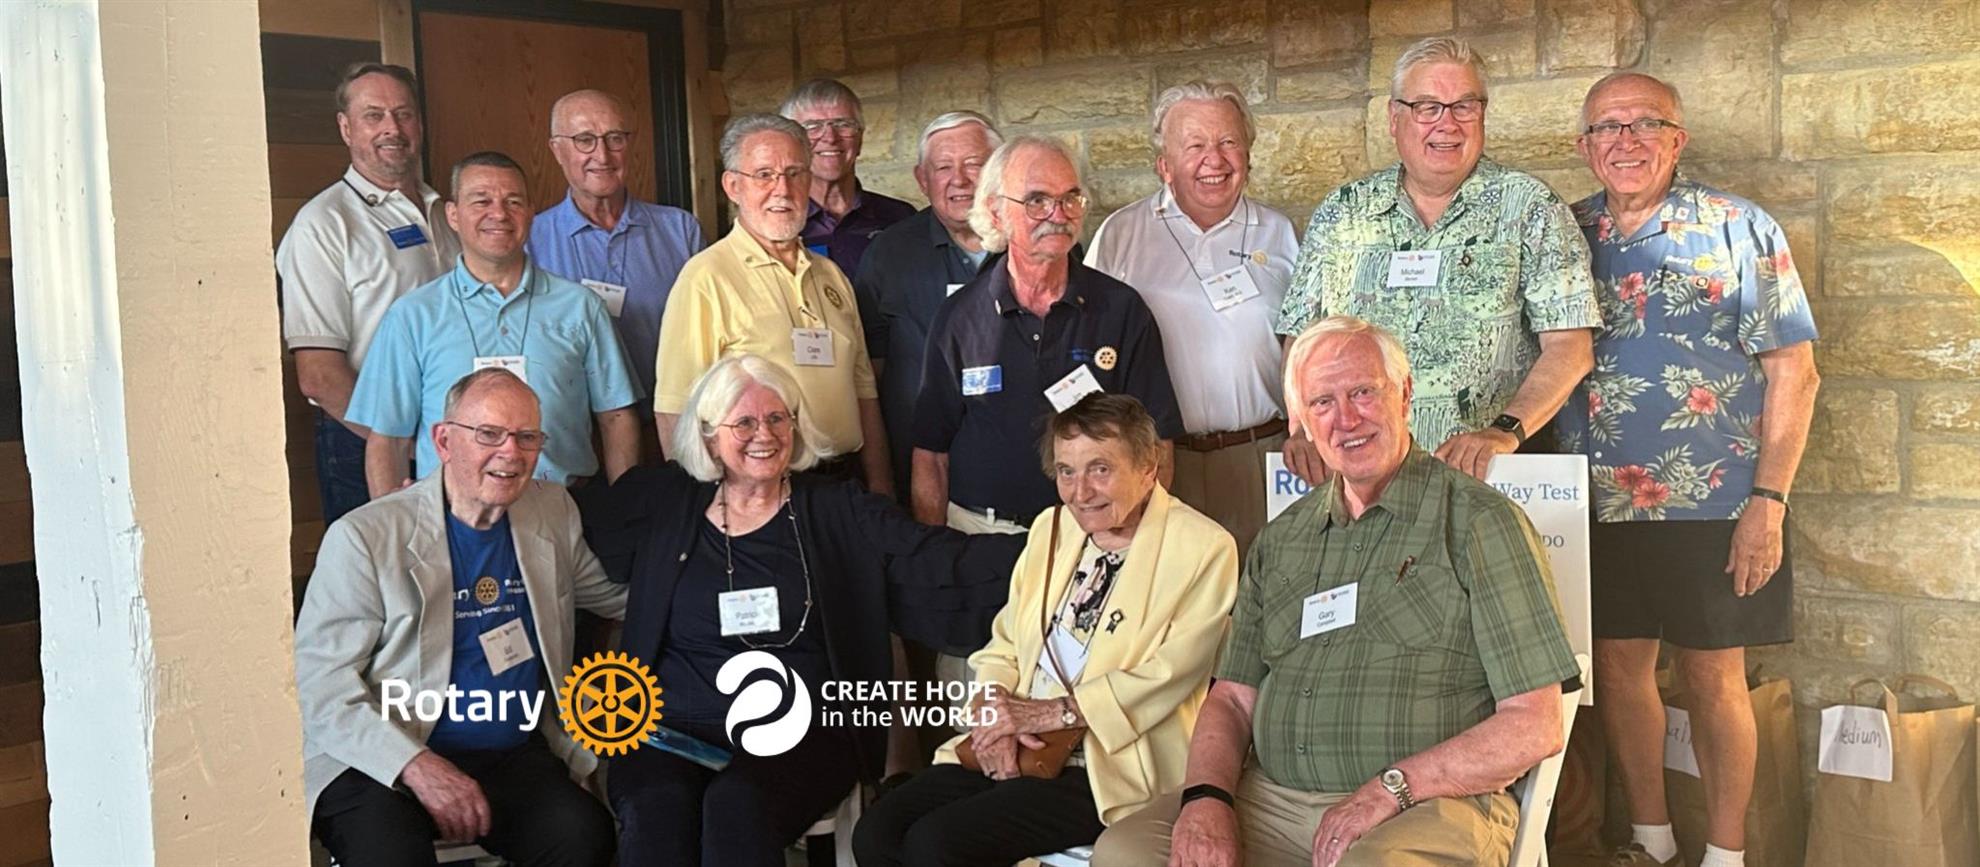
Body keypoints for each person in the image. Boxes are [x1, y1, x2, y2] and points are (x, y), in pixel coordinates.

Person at [1093, 316, 1580, 867]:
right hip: (1273, 801)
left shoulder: (1479, 522)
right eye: (1322, 402)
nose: (1346, 419)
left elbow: (1534, 723)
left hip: (1427, 802)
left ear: (1404, 394)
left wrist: (1391, 788)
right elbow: (1231, 698)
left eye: (1363, 392)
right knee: (1125, 853)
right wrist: (1207, 798)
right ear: (1301, 422)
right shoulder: (1282, 539)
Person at [575, 354, 1025, 867]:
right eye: (744, 422)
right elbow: (570, 529)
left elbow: (939, 560)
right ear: (709, 437)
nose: (764, 434)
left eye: (777, 418)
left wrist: (1055, 544)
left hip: (802, 731)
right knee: (656, 811)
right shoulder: (664, 501)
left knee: (736, 806)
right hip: (673, 728)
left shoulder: (838, 510)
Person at [1563, 72, 1821, 867]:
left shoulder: (1739, 227)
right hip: (1593, 501)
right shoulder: (1564, 233)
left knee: (1714, 677)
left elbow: (1794, 371)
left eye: (1646, 124)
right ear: (1583, 145)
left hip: (1716, 500)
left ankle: (1726, 853)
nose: (1626, 141)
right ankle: (1652, 839)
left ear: (1678, 139)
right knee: (1618, 669)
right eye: (1608, 127)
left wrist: (1769, 502)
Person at [854, 393, 1240, 867]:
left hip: (1106, 762)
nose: (1081, 492)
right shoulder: (1051, 527)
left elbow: (1170, 674)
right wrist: (996, 716)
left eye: (1100, 469)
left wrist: (1047, 715)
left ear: (1148, 467)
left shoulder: (1203, 547)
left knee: (937, 845)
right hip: (1020, 739)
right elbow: (1006, 641)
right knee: (877, 832)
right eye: (1066, 472)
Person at [296, 368, 626, 867]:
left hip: (507, 751)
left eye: (527, 437)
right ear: (444, 441)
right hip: (383, 753)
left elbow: (606, 594)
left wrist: (712, 584)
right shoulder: (364, 537)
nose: (511, 452)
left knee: (582, 835)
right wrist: (417, 765)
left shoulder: (552, 510)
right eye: (489, 434)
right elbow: (320, 686)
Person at [1275, 36, 1599, 483]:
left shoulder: (1532, 208)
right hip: (1361, 480)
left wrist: (1503, 431)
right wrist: (1302, 429)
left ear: (1482, 114)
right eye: (1427, 107)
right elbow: (1302, 340)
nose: (1447, 124)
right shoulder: (1342, 212)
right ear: (1394, 118)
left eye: (1464, 106)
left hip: (1484, 477)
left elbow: (1570, 348)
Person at [913, 135, 1184, 537]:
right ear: (996, 212)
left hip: (1094, 533)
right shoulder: (958, 318)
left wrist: (1131, 540)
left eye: (1070, 198)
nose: (1058, 214)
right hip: (980, 535)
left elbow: (1157, 443)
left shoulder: (1121, 309)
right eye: (1037, 200)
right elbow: (930, 455)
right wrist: (934, 552)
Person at [1086, 80, 1298, 554]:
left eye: (1228, 142)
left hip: (1262, 458)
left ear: (1248, 154)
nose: (1214, 160)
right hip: (1157, 465)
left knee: (1270, 589)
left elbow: (1308, 346)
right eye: (1195, 145)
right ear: (1164, 164)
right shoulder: (1120, 236)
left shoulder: (1281, 233)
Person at [349, 151, 642, 495]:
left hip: (566, 506)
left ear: (530, 213)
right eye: (481, 201)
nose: (499, 214)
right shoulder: (412, 316)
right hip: (451, 512)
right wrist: (391, 523)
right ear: (453, 215)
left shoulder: (580, 307)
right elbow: (388, 440)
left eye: (513, 202)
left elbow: (616, 417)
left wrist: (626, 512)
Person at [654, 114, 892, 493]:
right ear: (733, 186)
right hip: (761, 489)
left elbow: (864, 392)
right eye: (764, 175)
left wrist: (881, 489)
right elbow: (674, 409)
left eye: (795, 173)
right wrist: (700, 504)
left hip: (847, 485)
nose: (782, 189)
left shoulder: (830, 275)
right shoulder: (706, 277)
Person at [279, 62, 460, 523]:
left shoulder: (447, 213)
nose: (391, 129)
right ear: (346, 128)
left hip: (455, 439)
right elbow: (319, 375)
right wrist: (401, 444)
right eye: (373, 116)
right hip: (365, 441)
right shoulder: (323, 224)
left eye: (403, 114)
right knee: (382, 564)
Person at [527, 88, 705, 425]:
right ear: (557, 149)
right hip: (572, 431)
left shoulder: (680, 231)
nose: (603, 155)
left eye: (615, 138)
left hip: (671, 423)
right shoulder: (531, 240)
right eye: (584, 140)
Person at [855, 110, 1004, 494]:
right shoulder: (888, 252)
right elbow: (869, 371)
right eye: (943, 167)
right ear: (922, 180)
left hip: (1017, 471)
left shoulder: (1032, 243)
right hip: (916, 470)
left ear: (1000, 171)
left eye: (974, 164)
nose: (960, 179)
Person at [781, 78, 916, 277]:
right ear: (790, 143)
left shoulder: (900, 218)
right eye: (812, 126)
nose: (830, 137)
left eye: (843, 124)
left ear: (860, 138)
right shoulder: (777, 223)